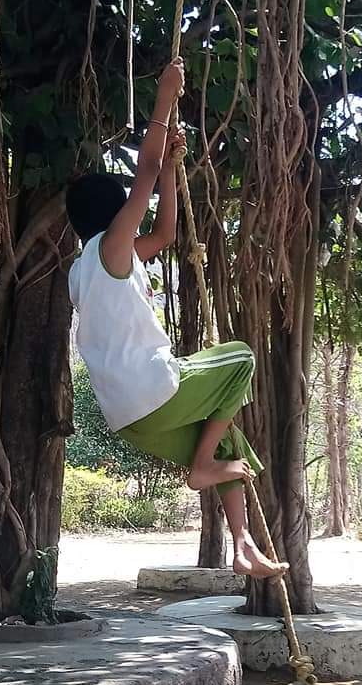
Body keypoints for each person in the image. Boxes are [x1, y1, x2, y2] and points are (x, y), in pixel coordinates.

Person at [66, 58, 288, 580]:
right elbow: (141, 177)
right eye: (126, 207)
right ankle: (201, 469)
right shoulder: (111, 245)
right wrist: (165, 97)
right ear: (114, 213)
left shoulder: (85, 268)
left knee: (228, 438)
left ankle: (243, 544)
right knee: (240, 359)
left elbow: (165, 235)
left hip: (130, 419)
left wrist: (171, 169)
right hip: (154, 391)